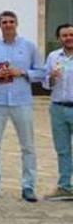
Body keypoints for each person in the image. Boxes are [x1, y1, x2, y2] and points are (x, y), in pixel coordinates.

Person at [0, 10, 43, 202]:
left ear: (17, 23)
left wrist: (23, 72)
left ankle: (28, 186)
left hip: (21, 100)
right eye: (4, 22)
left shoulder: (30, 46)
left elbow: (41, 72)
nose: (8, 25)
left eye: (11, 21)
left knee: (28, 146)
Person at [43, 23, 73, 201]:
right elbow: (46, 84)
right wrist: (51, 77)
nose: (68, 38)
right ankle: (64, 186)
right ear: (59, 38)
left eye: (71, 34)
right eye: (64, 35)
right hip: (58, 108)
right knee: (62, 150)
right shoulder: (53, 56)